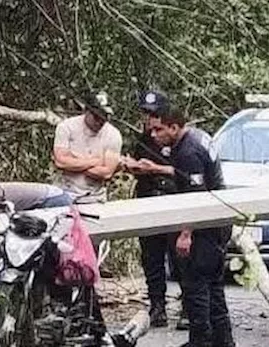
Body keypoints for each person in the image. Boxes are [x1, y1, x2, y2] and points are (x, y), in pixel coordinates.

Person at [132, 106, 233, 347]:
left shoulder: (188, 150)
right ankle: (223, 340)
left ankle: (200, 341)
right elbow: (185, 176)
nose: (153, 134)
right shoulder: (197, 137)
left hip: (202, 228)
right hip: (217, 222)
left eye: (158, 129)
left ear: (174, 127)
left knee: (196, 287)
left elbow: (195, 198)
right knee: (214, 287)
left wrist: (186, 233)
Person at [123, 89, 181, 328]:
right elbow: (138, 165)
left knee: (179, 259)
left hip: (173, 201)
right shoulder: (143, 139)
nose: (149, 119)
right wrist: (133, 166)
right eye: (146, 114)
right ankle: (158, 306)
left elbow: (181, 172)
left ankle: (187, 307)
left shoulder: (175, 138)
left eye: (154, 114)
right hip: (148, 201)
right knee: (151, 258)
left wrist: (154, 168)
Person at [53, 91, 123, 204]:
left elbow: (107, 172)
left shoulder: (113, 134)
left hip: (95, 197)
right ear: (86, 111)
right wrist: (97, 161)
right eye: (96, 116)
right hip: (64, 193)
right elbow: (61, 162)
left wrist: (74, 162)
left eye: (104, 117)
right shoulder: (66, 127)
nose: (100, 121)